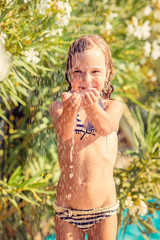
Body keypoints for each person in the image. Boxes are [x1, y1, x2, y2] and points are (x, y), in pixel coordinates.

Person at [49, 34, 124, 240]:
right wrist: (70, 111)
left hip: (103, 211)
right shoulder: (59, 107)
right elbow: (64, 133)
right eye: (78, 72)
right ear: (68, 73)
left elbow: (106, 127)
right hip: (67, 212)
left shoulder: (112, 107)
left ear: (109, 73)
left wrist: (91, 104)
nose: (87, 79)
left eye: (95, 72)